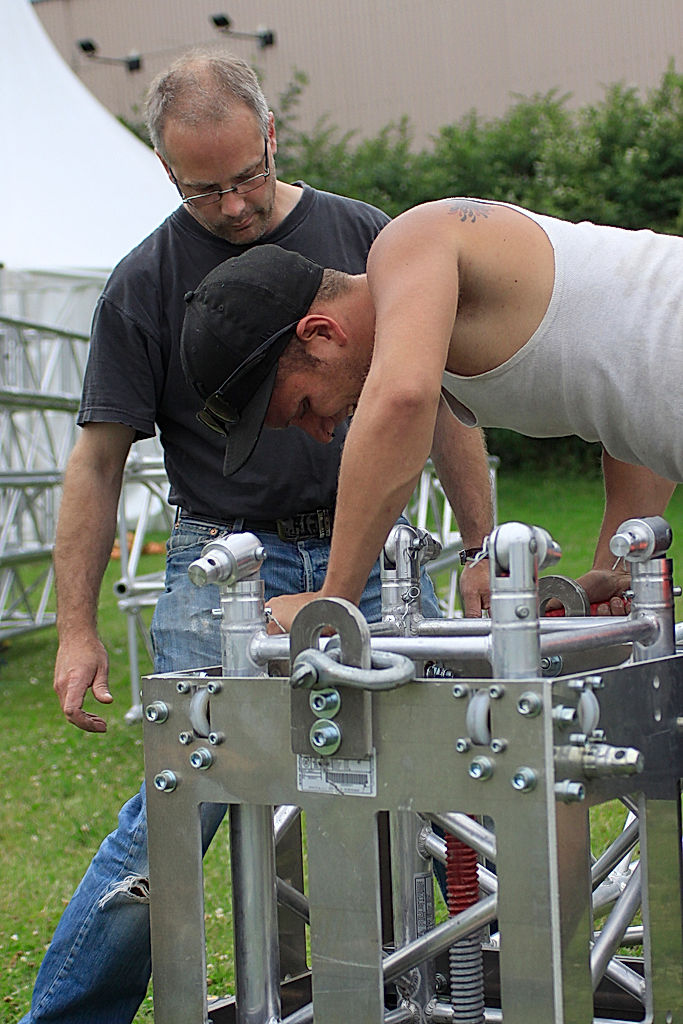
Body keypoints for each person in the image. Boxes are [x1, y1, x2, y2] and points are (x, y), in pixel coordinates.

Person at [21, 56, 493, 1024]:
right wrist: (76, 627)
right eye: (204, 189)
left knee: (436, 785)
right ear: (164, 170)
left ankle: (428, 990)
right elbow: (96, 463)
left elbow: (439, 404)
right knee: (181, 804)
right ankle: (67, 1017)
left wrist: (483, 546)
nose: (234, 205)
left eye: (246, 174)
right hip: (227, 567)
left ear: (272, 136)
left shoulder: (364, 239)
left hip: (374, 559)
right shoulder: (144, 284)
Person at [180, 196, 682, 631]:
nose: (321, 432)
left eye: (304, 407)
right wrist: (613, 570)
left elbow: (401, 402)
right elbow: (629, 409)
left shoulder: (410, 242)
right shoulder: (441, 346)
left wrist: (332, 601)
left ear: (321, 333)